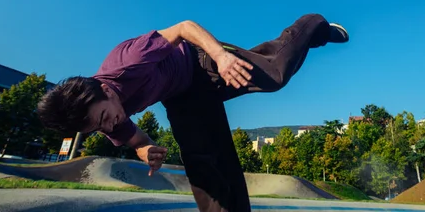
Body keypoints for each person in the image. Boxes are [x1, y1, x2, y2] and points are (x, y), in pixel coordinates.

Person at [37, 13, 349, 211]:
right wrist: (145, 149)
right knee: (205, 168)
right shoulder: (100, 120)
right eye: (99, 127)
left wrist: (221, 57)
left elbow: (185, 28)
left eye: (106, 117)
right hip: (182, 99)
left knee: (274, 75)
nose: (111, 124)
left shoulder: (127, 60)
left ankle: (313, 26)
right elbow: (136, 139)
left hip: (199, 61)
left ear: (103, 90)